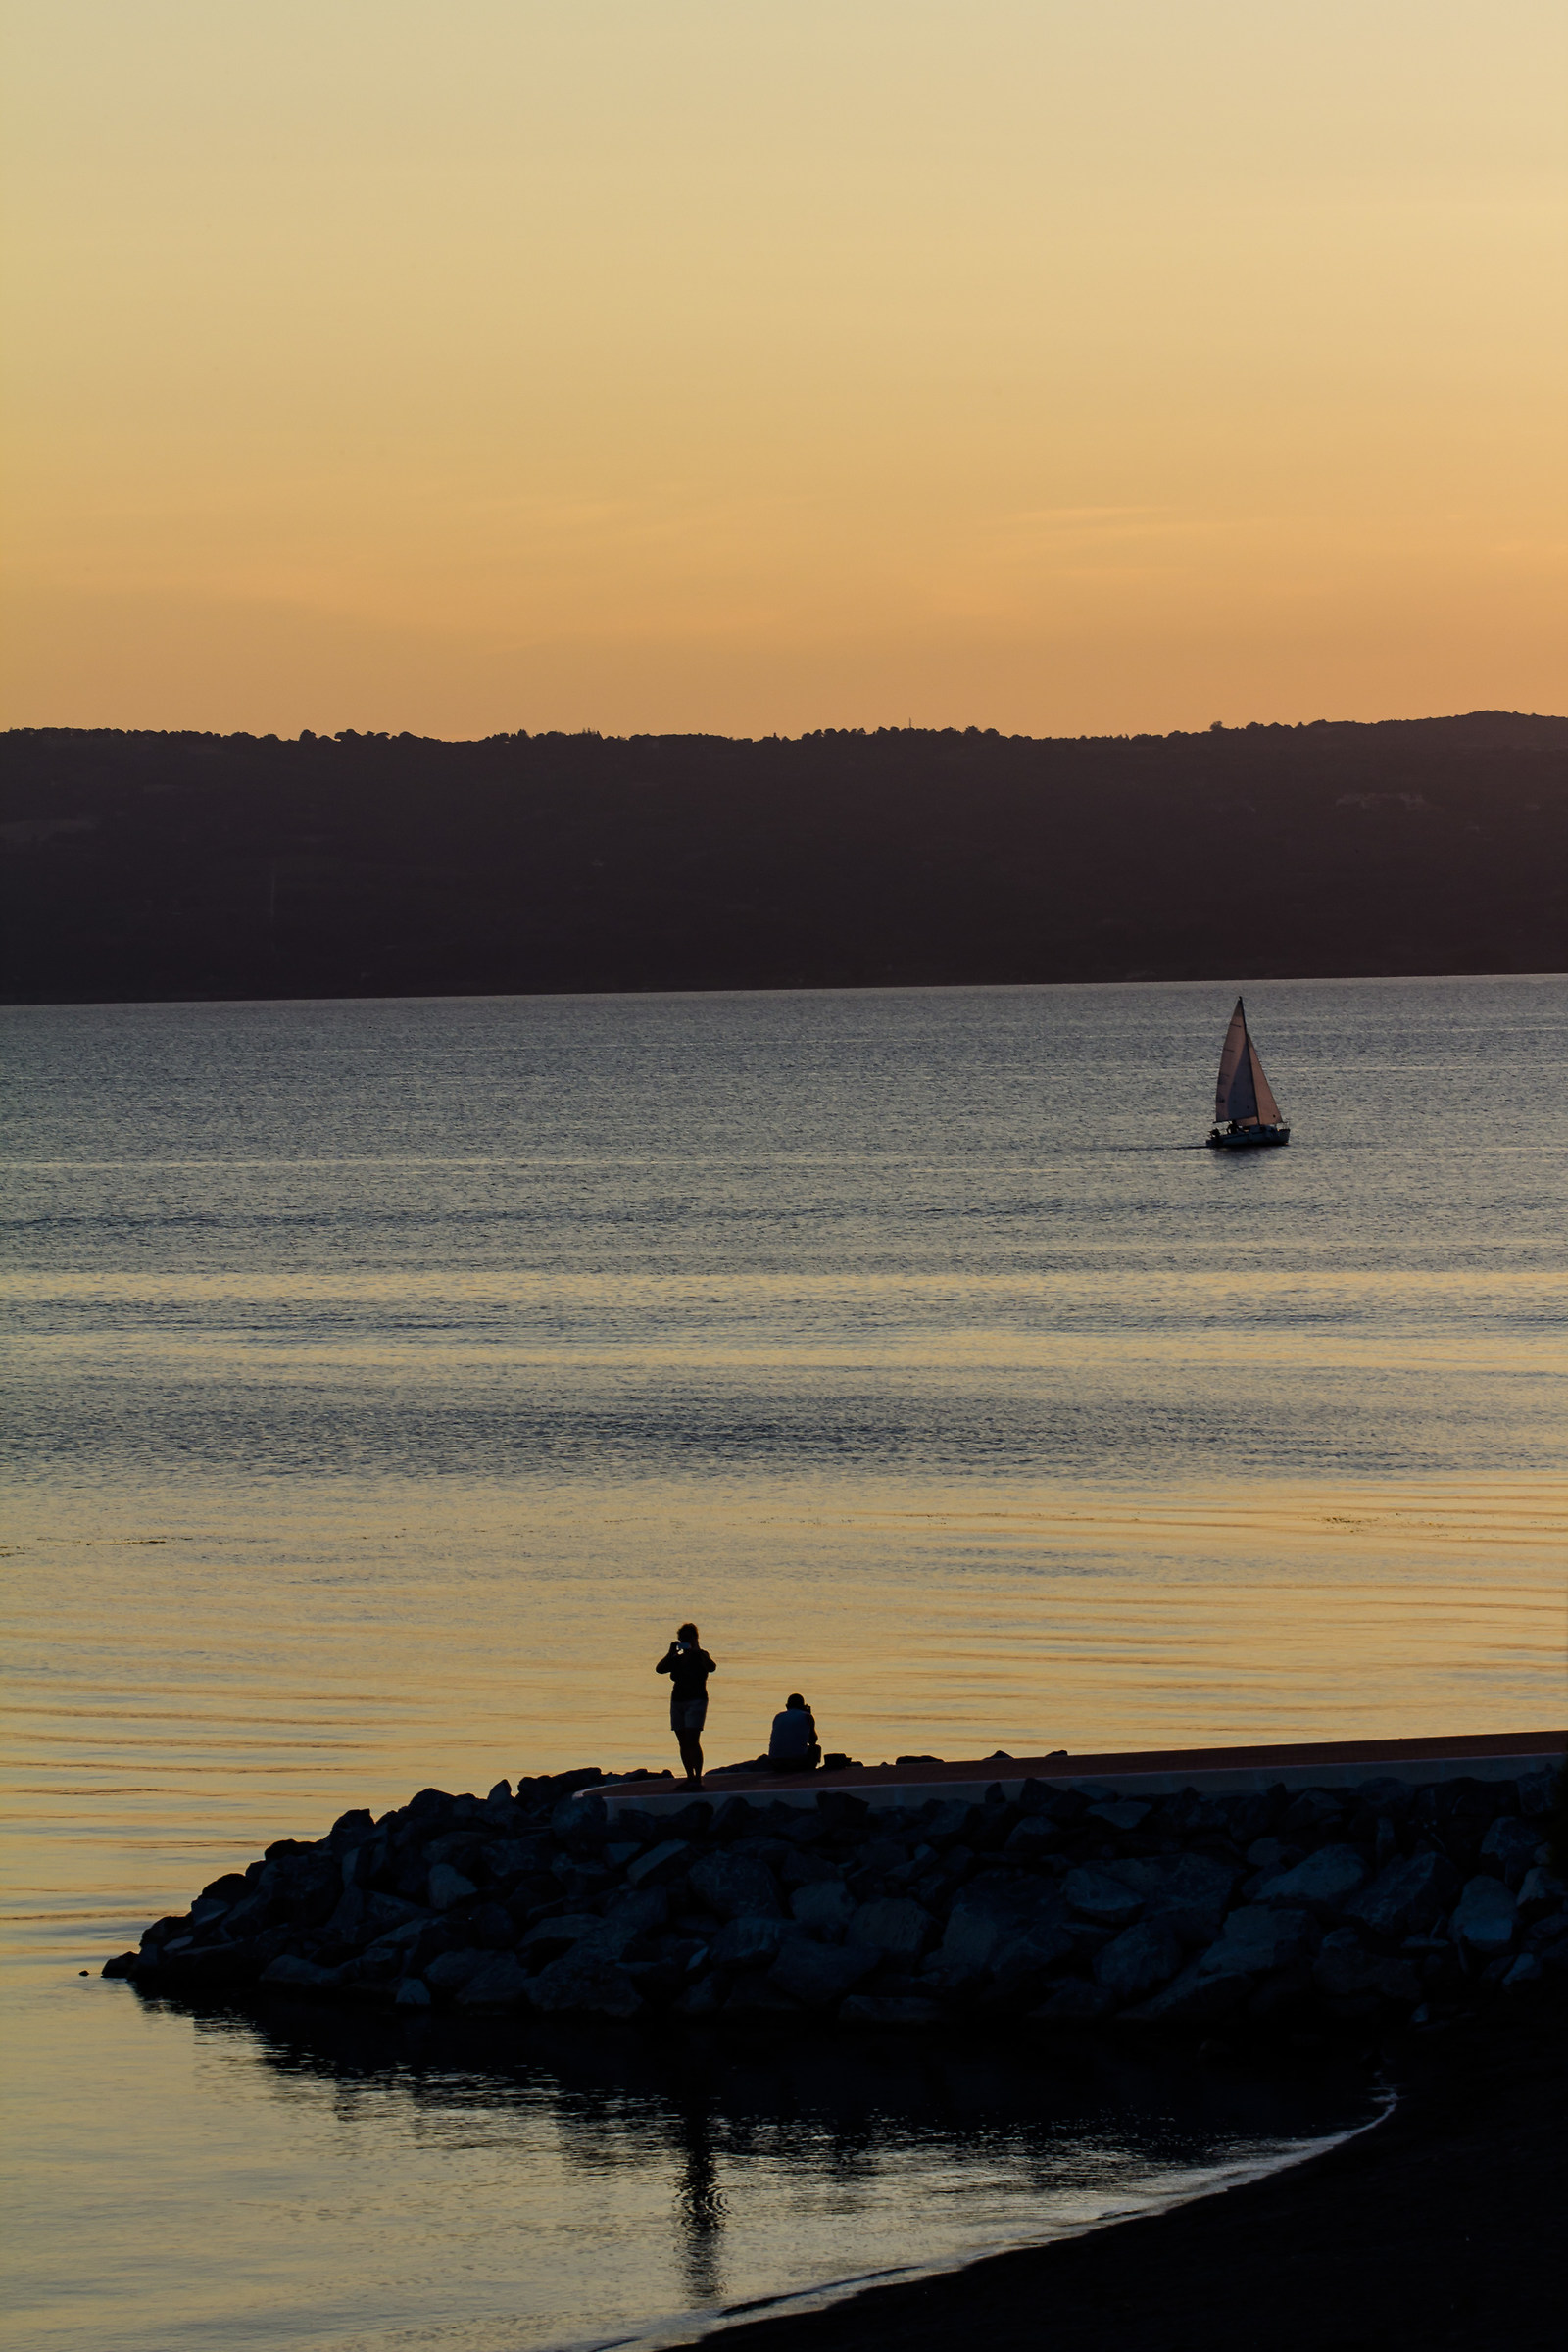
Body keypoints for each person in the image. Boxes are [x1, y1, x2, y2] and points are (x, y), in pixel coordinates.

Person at [656, 1622, 716, 1788]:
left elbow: (712, 1667)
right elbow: (659, 1669)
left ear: (695, 1639)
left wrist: (697, 1651)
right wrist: (670, 1654)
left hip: (696, 1700)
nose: (685, 1641)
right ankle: (690, 1776)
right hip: (678, 1700)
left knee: (693, 1739)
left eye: (687, 1639)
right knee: (683, 1740)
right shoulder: (677, 1659)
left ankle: (697, 1777)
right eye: (682, 1639)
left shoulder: (702, 1655)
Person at [766, 1693, 820, 1775]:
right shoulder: (807, 1716)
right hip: (797, 1763)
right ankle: (809, 1771)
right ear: (803, 1706)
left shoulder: (778, 1716)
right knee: (816, 1748)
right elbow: (813, 1741)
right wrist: (810, 1715)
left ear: (787, 1706)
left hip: (775, 1763)